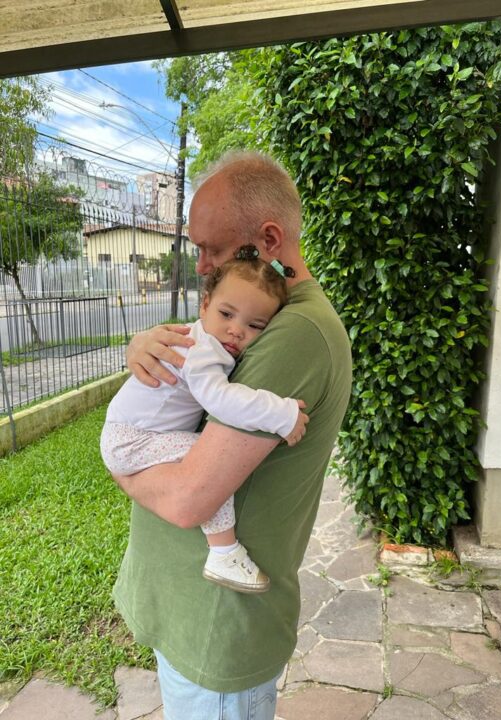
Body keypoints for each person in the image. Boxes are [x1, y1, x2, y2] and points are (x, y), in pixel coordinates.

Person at [111, 151, 352, 720]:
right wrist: (143, 347)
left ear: (268, 241)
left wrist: (119, 463)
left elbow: (187, 498)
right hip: (193, 613)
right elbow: (191, 383)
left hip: (218, 626)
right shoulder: (253, 316)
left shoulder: (294, 332)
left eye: (213, 249)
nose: (200, 265)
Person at [100, 248, 309, 594]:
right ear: (205, 305)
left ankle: (222, 551)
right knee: (210, 462)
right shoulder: (203, 350)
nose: (236, 330)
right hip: (132, 439)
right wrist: (281, 414)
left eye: (255, 325)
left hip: (129, 434)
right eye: (227, 314)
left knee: (207, 460)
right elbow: (221, 400)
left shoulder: (206, 339)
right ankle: (223, 552)